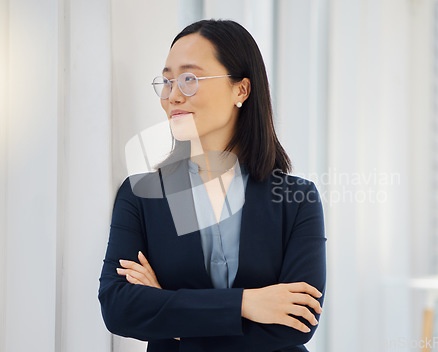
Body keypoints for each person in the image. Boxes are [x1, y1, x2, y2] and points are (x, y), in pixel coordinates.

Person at [98, 19, 327, 352]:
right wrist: (247, 304)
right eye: (167, 80)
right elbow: (119, 308)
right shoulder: (140, 195)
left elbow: (298, 321)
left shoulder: (297, 199)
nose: (172, 95)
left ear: (241, 90)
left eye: (190, 79)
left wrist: (168, 311)